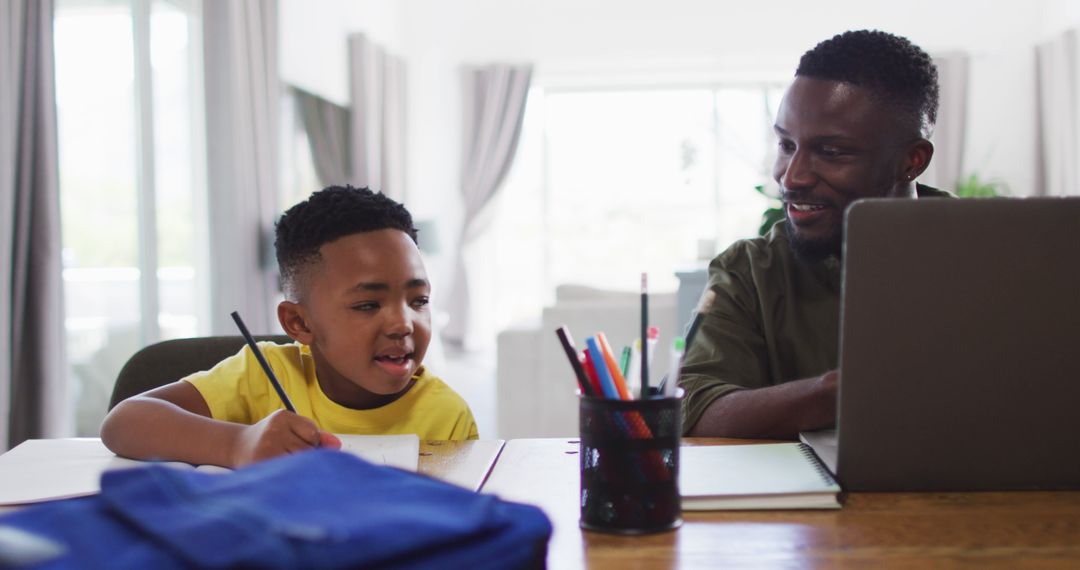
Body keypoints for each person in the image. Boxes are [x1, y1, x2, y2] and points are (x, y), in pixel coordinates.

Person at [678, 30, 950, 439]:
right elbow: (695, 407)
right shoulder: (749, 271)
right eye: (786, 144)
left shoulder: (998, 256)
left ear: (911, 160)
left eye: (832, 152)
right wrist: (837, 393)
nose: (792, 176)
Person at [102, 186, 479, 467]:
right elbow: (124, 422)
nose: (402, 323)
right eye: (367, 305)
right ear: (298, 322)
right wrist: (239, 444)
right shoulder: (261, 375)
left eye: (419, 301)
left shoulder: (446, 416)